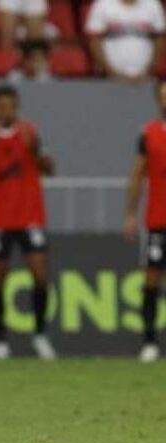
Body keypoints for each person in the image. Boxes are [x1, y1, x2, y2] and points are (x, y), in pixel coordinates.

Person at [0, 85, 57, 361]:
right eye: (2, 106)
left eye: (12, 106)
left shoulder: (30, 133)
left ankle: (40, 334)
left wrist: (37, 153)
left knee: (40, 275)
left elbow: (49, 170)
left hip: (29, 215)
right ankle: (0, 340)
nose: (7, 111)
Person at [124, 80, 166, 363]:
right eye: (164, 96)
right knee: (151, 280)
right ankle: (149, 341)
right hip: (158, 219)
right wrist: (130, 214)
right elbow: (137, 175)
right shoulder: (148, 134)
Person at [86, 0, 165, 83]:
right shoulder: (102, 4)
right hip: (111, 77)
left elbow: (160, 39)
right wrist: (111, 72)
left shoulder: (153, 3)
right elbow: (95, 41)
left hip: (145, 77)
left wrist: (149, 70)